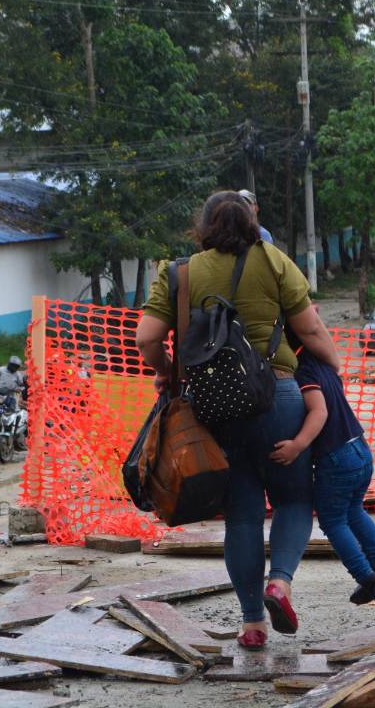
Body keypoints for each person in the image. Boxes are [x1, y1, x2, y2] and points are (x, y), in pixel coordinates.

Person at [135, 191, 340, 651]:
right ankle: (280, 583)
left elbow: (146, 336)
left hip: (213, 411)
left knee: (243, 516)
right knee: (292, 499)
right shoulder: (274, 260)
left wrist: (165, 372)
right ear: (252, 222)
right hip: (278, 397)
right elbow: (309, 329)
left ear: (203, 227)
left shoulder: (180, 271)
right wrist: (335, 364)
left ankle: (252, 624)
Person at [270, 341, 375, 609]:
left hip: (336, 457)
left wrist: (297, 445)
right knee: (354, 510)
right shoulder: (324, 363)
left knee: (333, 521)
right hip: (360, 448)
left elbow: (320, 411)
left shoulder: (303, 370)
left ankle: (368, 578)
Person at [0, 355, 25, 421]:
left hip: (10, 395)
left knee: (12, 410)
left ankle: (8, 425)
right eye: (13, 365)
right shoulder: (0, 370)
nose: (14, 368)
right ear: (9, 364)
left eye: (16, 366)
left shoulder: (18, 374)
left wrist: (20, 388)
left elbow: (21, 384)